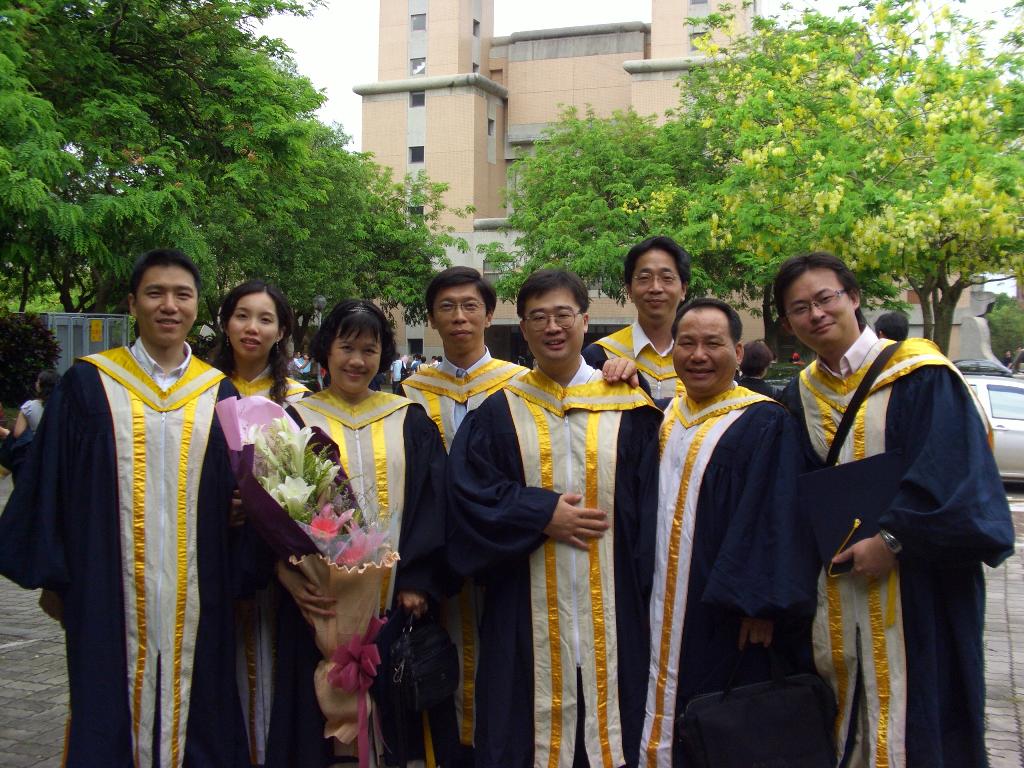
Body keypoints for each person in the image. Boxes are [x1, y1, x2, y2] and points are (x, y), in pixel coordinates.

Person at [0, 248, 254, 767]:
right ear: (133, 303)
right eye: (155, 293)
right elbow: (51, 482)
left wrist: (239, 510)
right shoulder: (87, 385)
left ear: (196, 306)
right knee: (105, 706)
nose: (169, 305)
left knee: (201, 709)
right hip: (105, 586)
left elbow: (238, 486)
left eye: (182, 295)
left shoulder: (217, 393)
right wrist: (57, 577)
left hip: (197, 591)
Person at [773, 251, 1014, 767]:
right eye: (799, 308)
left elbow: (957, 476)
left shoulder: (921, 375)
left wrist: (893, 541)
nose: (816, 314)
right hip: (837, 595)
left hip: (920, 590)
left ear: (853, 298)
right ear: (788, 324)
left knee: (919, 717)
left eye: (825, 298)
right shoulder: (800, 395)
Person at [448, 269, 663, 768]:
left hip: (615, 604)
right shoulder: (499, 412)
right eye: (538, 317)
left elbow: (654, 506)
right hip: (523, 609)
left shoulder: (630, 405)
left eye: (563, 315)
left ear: (585, 321)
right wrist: (541, 513)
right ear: (522, 329)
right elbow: (468, 496)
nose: (552, 327)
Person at [265, 299, 449, 768]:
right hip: (317, 609)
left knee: (394, 730)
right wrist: (288, 573)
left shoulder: (408, 417)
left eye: (370, 350)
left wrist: (417, 580)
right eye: (346, 347)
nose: (357, 360)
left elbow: (431, 505)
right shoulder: (294, 419)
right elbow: (273, 513)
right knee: (316, 738)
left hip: (394, 607)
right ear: (326, 351)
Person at [640, 299, 815, 767]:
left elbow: (775, 518)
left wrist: (759, 606)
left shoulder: (765, 422)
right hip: (657, 597)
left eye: (712, 344)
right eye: (687, 343)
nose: (698, 355)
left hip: (722, 611)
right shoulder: (662, 416)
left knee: (716, 721)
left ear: (737, 352)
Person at [401, 266, 527, 758]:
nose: (459, 317)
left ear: (489, 315)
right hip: (435, 557)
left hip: (502, 552)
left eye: (470, 306)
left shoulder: (519, 385)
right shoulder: (411, 391)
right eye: (447, 307)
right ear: (432, 319)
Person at [211, 280, 310, 767]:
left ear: (282, 330)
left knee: (275, 666)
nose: (252, 328)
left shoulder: (300, 401)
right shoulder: (200, 392)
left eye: (265, 319)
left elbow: (311, 483)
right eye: (242, 316)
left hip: (276, 566)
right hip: (213, 556)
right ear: (225, 322)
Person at [583, 236, 690, 401]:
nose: (655, 288)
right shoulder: (599, 355)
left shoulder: (701, 358)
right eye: (644, 278)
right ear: (629, 291)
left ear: (683, 289)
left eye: (667, 278)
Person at [0, 369, 59, 481]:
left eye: (37, 381)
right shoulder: (63, 407)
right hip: (54, 454)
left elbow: (18, 434)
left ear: (40, 386)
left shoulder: (29, 407)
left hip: (31, 454)